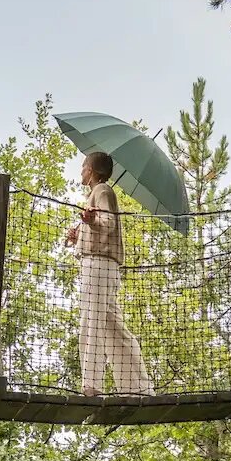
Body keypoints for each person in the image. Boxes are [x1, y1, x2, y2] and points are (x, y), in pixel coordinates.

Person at [64, 151, 152, 396]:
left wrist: (91, 222)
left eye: (83, 167)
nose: (81, 171)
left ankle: (92, 385)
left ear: (91, 170)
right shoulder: (97, 193)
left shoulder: (102, 191)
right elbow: (99, 226)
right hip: (100, 265)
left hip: (99, 265)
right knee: (113, 327)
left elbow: (108, 223)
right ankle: (139, 387)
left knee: (91, 322)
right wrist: (78, 234)